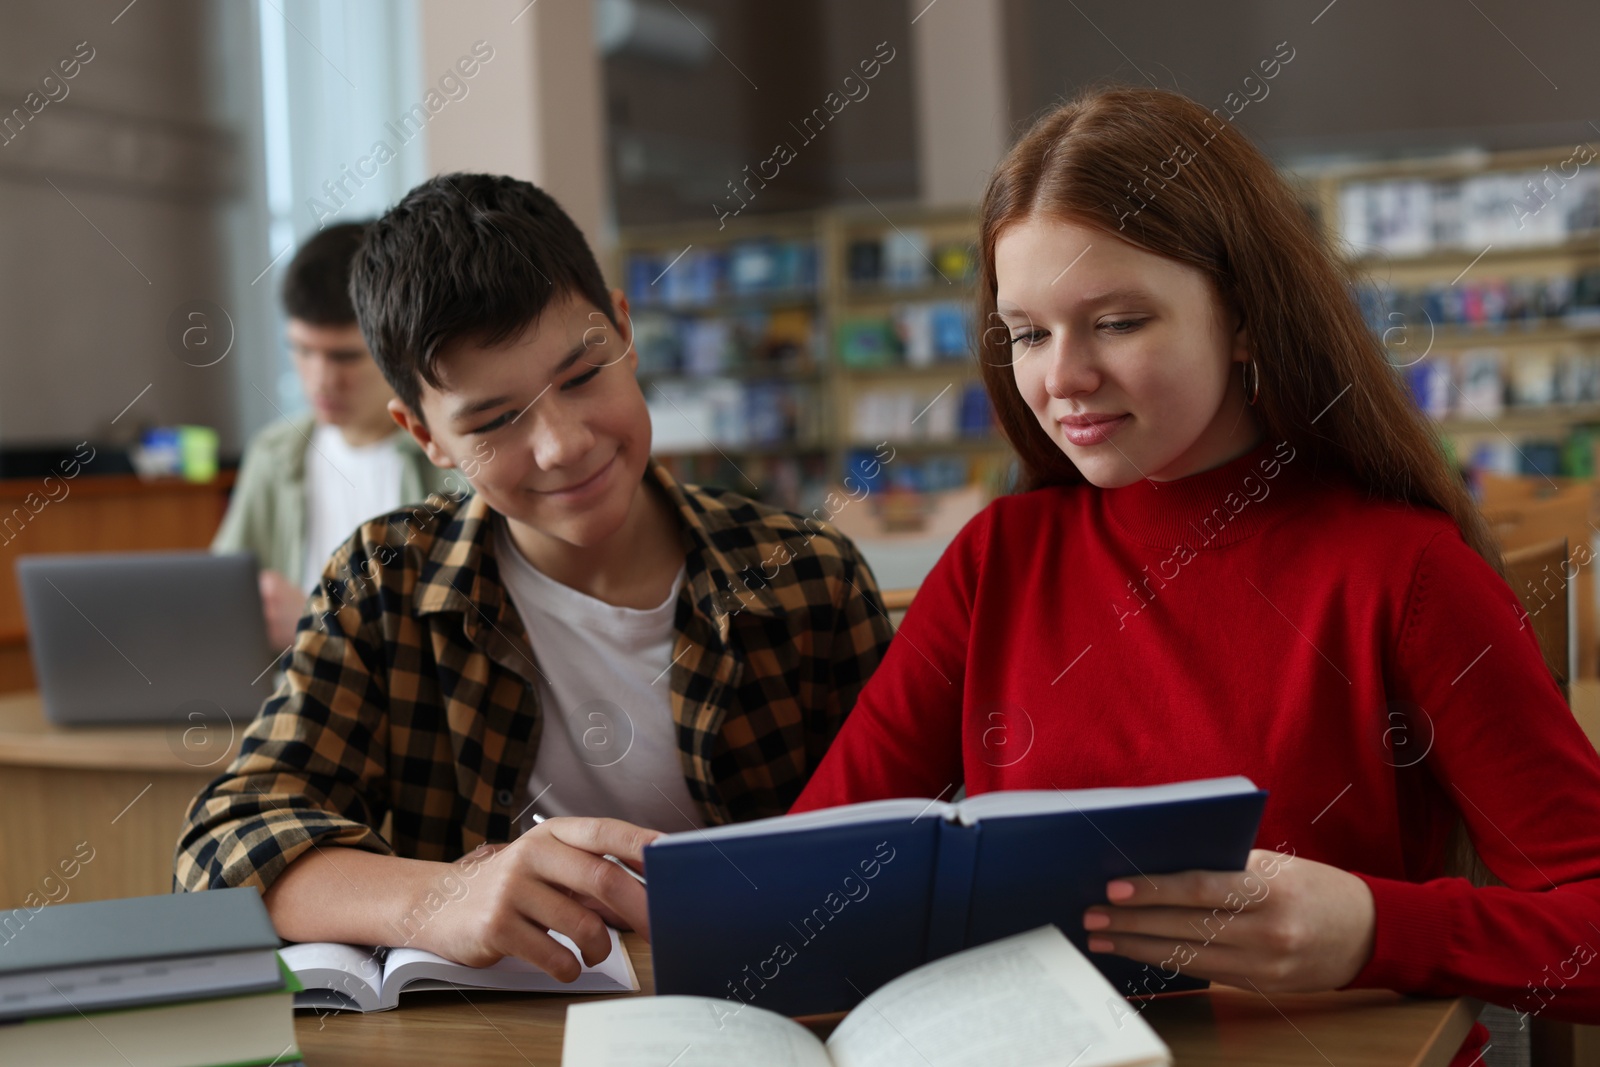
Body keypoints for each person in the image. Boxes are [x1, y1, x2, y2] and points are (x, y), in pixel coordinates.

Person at [790, 86, 1600, 1061]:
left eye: (1118, 321)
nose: (1060, 378)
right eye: (1028, 332)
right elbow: (815, 875)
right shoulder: (994, 558)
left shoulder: (1405, 570)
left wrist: (1376, 929)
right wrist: (650, 879)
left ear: (1247, 318)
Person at [175, 174, 894, 984]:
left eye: (583, 375)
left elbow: (908, 846)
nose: (563, 445)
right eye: (492, 420)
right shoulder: (384, 584)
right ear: (425, 436)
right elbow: (221, 845)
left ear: (624, 329)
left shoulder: (808, 579)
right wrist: (446, 895)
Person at [212, 222, 452, 650]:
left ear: (400, 345)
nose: (321, 381)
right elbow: (216, 602)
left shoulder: (454, 459)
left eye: (345, 356)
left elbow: (464, 638)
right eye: (302, 350)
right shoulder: (274, 454)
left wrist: (315, 620)